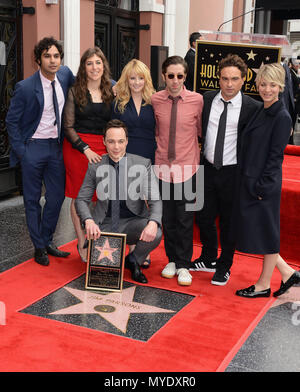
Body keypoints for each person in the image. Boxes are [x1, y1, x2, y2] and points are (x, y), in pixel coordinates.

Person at [191, 54, 262, 286]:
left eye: (234, 79)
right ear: (218, 80)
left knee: (229, 222)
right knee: (202, 215)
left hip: (234, 173)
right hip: (208, 169)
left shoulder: (253, 107)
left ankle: (224, 265)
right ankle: (209, 257)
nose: (229, 84)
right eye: (224, 78)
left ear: (243, 80)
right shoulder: (207, 99)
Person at [6, 36, 74, 266]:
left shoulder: (64, 76)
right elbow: (11, 122)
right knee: (32, 200)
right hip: (33, 147)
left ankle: (47, 240)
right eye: (47, 56)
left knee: (56, 197)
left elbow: (90, 80)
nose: (53, 61)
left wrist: (115, 85)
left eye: (56, 56)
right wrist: (22, 151)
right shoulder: (25, 88)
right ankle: (39, 247)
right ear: (38, 60)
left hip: (56, 147)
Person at [235, 63, 300, 298]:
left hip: (264, 184)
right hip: (252, 181)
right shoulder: (262, 109)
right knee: (262, 232)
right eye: (263, 84)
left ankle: (263, 285)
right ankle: (287, 273)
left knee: (268, 234)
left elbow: (275, 157)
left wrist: (262, 186)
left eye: (272, 84)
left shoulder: (281, 116)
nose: (267, 89)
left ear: (281, 86)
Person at [75, 119, 162, 284]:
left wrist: (153, 222)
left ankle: (134, 260)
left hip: (132, 223)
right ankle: (111, 258)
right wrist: (88, 220)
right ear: (104, 142)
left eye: (121, 141)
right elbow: (81, 199)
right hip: (104, 226)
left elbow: (155, 199)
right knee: (103, 281)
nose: (116, 147)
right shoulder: (95, 165)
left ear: (127, 141)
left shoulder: (142, 164)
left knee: (156, 232)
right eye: (111, 141)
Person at [151, 55, 203, 286]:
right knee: (168, 218)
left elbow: (201, 131)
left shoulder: (197, 100)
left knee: (185, 219)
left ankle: (184, 264)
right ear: (163, 76)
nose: (175, 80)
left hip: (189, 169)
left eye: (179, 76)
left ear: (185, 77)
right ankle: (172, 260)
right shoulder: (154, 100)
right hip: (162, 168)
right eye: (170, 76)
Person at [63, 47, 113, 262]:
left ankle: (100, 239)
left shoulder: (113, 90)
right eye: (90, 63)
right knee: (79, 195)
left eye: (98, 63)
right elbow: (68, 126)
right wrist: (85, 148)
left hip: (104, 147)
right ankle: (82, 241)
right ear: (84, 67)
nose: (94, 67)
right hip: (78, 148)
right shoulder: (75, 90)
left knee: (102, 195)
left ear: (104, 66)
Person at [112, 59, 156, 268]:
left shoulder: (154, 102)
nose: (136, 82)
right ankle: (131, 247)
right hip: (126, 157)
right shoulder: (117, 102)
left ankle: (142, 247)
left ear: (146, 80)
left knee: (147, 202)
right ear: (126, 80)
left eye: (140, 78)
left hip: (149, 156)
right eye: (132, 78)